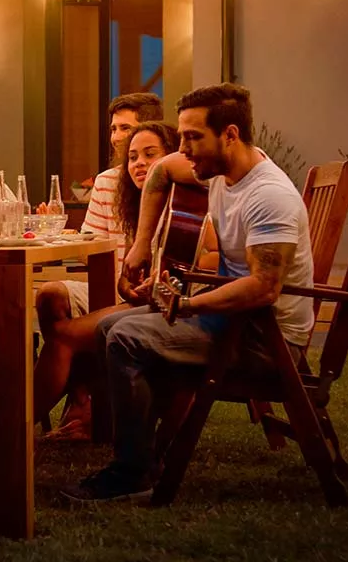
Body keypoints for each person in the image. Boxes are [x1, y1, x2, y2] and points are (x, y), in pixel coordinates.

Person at [63, 83, 315, 502]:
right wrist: (142, 246)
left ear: (230, 135)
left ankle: (132, 472)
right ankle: (145, 455)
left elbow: (263, 287)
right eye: (181, 137)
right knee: (108, 327)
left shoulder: (269, 196)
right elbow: (161, 173)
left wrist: (188, 304)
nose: (183, 149)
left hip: (263, 339)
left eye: (193, 138)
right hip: (230, 321)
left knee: (127, 339)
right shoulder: (216, 169)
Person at [33, 122, 180, 438]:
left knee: (63, 337)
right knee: (51, 297)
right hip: (140, 299)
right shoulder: (134, 200)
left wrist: (149, 286)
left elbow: (195, 266)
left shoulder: (185, 205)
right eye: (133, 157)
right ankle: (77, 409)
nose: (139, 163)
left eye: (149, 154)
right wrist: (129, 282)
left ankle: (5, 432)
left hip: (175, 310)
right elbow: (124, 267)